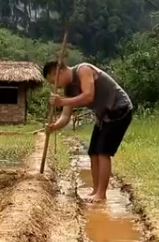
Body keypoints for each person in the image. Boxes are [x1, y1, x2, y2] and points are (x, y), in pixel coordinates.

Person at [42, 60, 134, 203]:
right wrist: (54, 126)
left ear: (58, 71)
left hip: (119, 110)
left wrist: (63, 102)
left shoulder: (83, 70)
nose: (56, 86)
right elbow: (65, 117)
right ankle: (96, 190)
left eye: (54, 81)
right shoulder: (68, 90)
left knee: (103, 152)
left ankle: (101, 194)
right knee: (93, 152)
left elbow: (88, 95)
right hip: (103, 116)